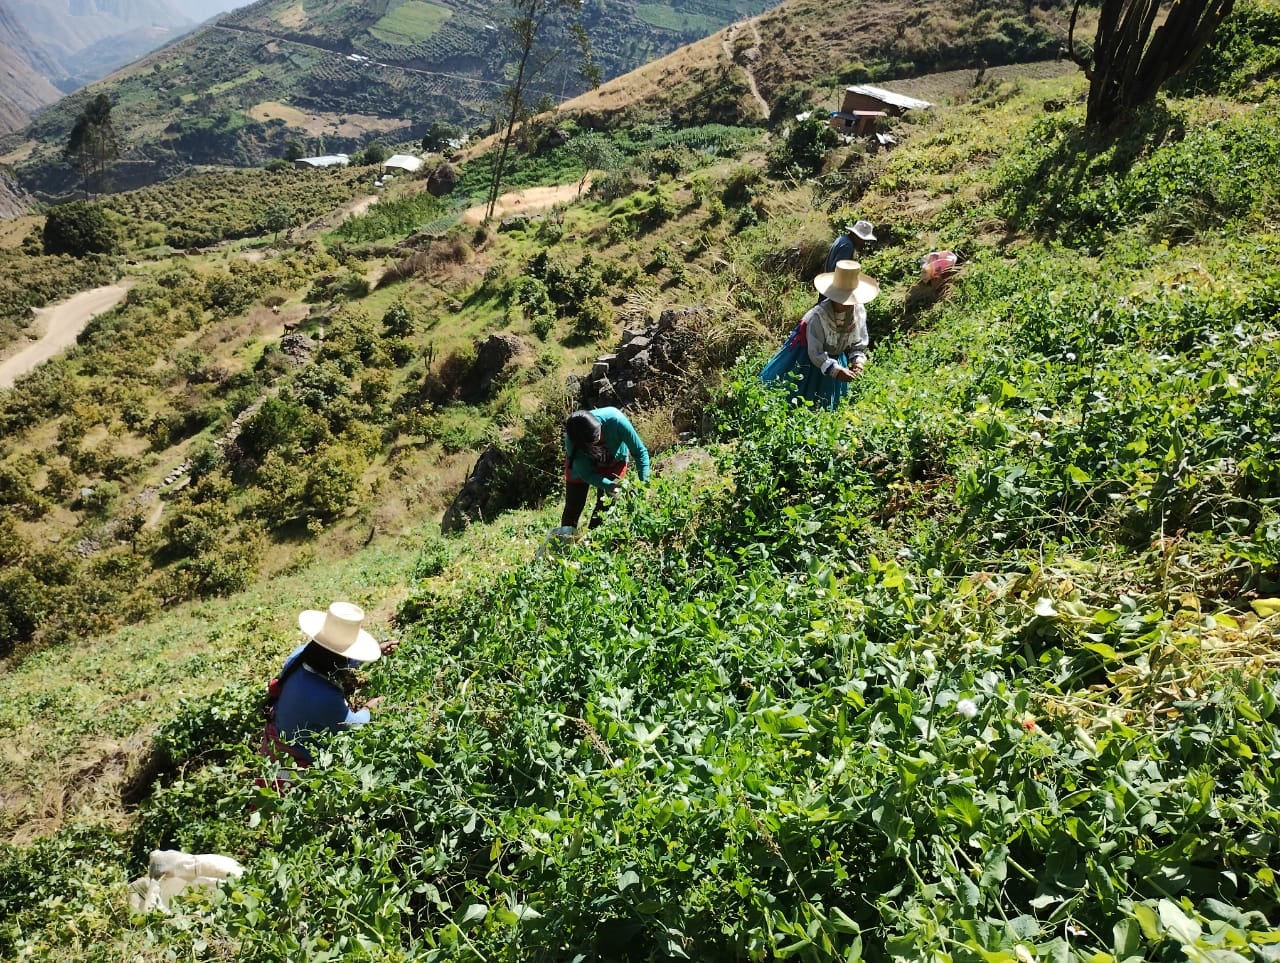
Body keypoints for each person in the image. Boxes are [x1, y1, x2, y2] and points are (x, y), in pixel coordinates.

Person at [261, 601, 398, 768]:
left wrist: (378, 649)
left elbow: (335, 660)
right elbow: (354, 726)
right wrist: (369, 709)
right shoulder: (325, 696)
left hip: (276, 730)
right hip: (295, 754)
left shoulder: (299, 656)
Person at [760, 259, 879, 410]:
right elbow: (815, 352)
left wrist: (858, 362)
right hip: (809, 358)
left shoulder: (858, 312)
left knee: (826, 405)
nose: (847, 304)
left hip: (835, 356)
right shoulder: (818, 317)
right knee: (796, 398)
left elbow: (858, 341)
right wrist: (835, 370)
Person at [550, 407, 651, 537]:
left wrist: (645, 484)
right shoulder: (572, 441)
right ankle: (565, 541)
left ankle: (593, 539)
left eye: (600, 433)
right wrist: (608, 485)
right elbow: (586, 474)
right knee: (573, 506)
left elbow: (640, 453)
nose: (602, 437)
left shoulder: (616, 420)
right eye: (596, 439)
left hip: (613, 462)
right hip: (583, 466)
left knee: (607, 502)